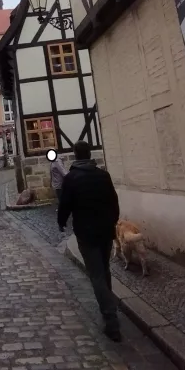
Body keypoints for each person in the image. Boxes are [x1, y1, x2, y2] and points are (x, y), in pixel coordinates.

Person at [57, 141, 121, 341]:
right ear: (89, 154)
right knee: (105, 270)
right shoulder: (103, 176)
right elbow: (114, 202)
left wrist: (61, 222)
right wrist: (112, 221)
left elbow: (65, 204)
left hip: (86, 233)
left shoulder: (71, 179)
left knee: (96, 275)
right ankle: (109, 305)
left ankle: (111, 319)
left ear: (75, 155)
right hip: (105, 231)